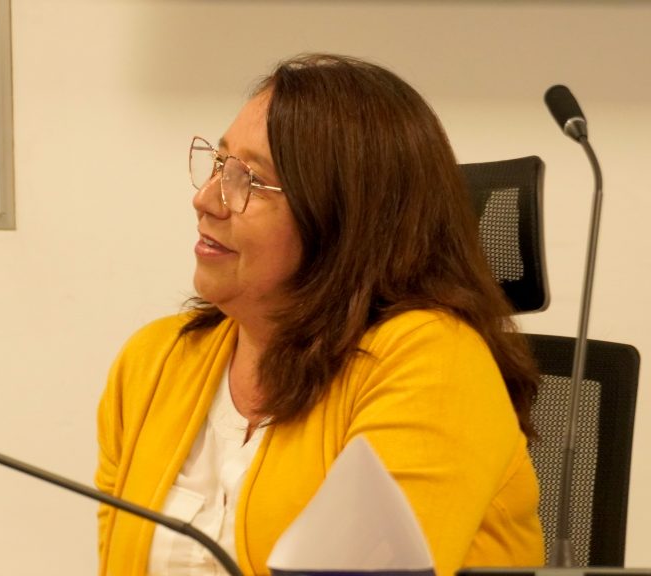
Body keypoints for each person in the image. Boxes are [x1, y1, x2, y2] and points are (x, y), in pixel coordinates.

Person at [95, 53, 544, 576]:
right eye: (219, 165)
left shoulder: (434, 363)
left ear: (345, 219)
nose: (206, 199)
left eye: (250, 180)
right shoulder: (154, 362)